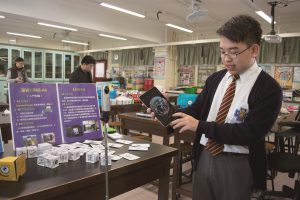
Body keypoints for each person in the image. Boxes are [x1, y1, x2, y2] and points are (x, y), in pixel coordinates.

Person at [149, 15, 282, 200]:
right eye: (222, 51)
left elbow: (250, 133)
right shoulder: (216, 79)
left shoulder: (268, 88)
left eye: (233, 52)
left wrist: (200, 126)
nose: (226, 59)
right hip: (205, 156)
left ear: (254, 50)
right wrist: (167, 114)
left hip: (238, 165)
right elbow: (195, 111)